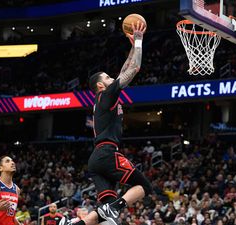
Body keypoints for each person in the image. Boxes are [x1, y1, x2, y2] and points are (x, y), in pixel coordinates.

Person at [82, 21, 152, 225]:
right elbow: (134, 69)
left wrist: (132, 46)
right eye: (108, 76)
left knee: (105, 215)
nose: (112, 77)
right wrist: (138, 41)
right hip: (106, 154)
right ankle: (115, 206)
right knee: (144, 187)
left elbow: (124, 69)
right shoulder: (105, 95)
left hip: (96, 159)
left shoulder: (103, 99)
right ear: (100, 85)